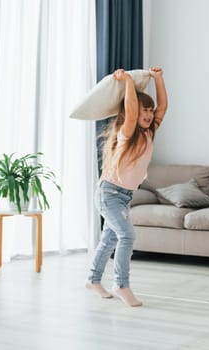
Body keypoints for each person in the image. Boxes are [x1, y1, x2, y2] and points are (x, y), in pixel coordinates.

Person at [86, 67, 168, 307]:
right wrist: (129, 82)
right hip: (108, 193)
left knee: (109, 239)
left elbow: (163, 106)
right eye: (146, 109)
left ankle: (92, 279)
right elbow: (131, 111)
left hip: (123, 196)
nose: (150, 114)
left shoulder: (149, 133)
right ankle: (121, 284)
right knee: (127, 235)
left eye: (151, 111)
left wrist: (159, 80)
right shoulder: (127, 131)